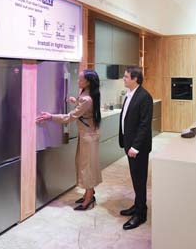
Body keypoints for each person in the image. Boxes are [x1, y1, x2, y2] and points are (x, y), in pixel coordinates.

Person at [36, 69, 102, 211]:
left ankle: (89, 198)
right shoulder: (89, 94)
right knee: (85, 164)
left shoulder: (87, 99)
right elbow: (84, 107)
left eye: (80, 79)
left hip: (88, 136)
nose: (78, 81)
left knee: (87, 166)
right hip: (88, 134)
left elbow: (70, 117)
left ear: (88, 82)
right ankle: (89, 193)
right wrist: (75, 101)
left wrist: (50, 117)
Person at [118, 66, 153, 230]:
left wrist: (136, 147)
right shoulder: (130, 94)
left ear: (135, 79)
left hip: (138, 148)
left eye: (126, 77)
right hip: (129, 143)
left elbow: (145, 125)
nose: (124, 79)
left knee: (140, 179)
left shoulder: (144, 97)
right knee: (135, 177)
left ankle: (141, 213)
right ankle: (138, 205)